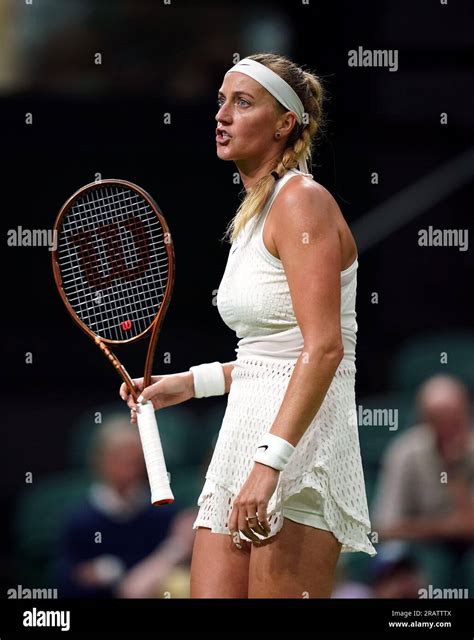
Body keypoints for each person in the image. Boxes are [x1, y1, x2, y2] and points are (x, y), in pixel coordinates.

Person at [121, 52, 377, 599]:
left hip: (299, 446)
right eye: (221, 101)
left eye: (243, 103)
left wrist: (270, 467)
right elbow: (270, 355)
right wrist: (188, 385)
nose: (222, 115)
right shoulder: (254, 215)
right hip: (244, 434)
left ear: (286, 123)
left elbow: (325, 349)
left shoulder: (302, 202)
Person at [55, 416, 194, 598]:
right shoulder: (80, 520)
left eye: (134, 461)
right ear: (99, 462)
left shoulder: (164, 510)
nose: (128, 470)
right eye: (120, 460)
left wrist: (172, 550)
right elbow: (67, 578)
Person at [372, 374, 474, 591]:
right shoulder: (405, 451)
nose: (448, 428)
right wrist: (444, 529)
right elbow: (385, 528)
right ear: (423, 419)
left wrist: (454, 473)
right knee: (431, 561)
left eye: (455, 419)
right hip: (423, 551)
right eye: (438, 420)